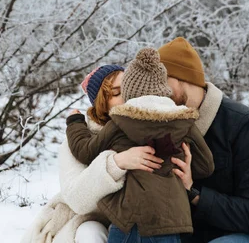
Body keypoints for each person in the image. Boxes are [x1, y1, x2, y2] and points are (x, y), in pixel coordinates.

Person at [66, 48, 214, 242]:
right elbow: (206, 166)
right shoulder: (184, 122)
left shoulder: (119, 121)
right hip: (170, 221)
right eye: (116, 93)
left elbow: (84, 151)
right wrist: (187, 170)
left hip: (130, 218)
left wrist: (75, 123)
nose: (122, 98)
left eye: (123, 90)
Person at [158, 37, 249, 243]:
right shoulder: (161, 121)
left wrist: (194, 192)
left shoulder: (244, 124)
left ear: (182, 77)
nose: (156, 91)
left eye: (161, 82)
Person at [21, 65, 165, 243]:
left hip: (133, 221)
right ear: (101, 102)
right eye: (117, 93)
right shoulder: (78, 141)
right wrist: (117, 163)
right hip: (84, 222)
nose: (127, 98)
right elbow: (76, 199)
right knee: (91, 232)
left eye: (130, 89)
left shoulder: (147, 129)